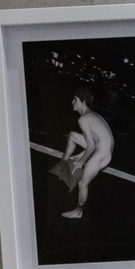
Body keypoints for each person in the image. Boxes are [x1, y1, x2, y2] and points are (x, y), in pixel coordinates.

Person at [51, 88, 115, 219]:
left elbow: (91, 146)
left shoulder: (84, 119)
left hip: (102, 155)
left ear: (83, 102)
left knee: (82, 184)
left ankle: (78, 211)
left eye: (75, 99)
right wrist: (80, 156)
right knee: (72, 135)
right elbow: (94, 142)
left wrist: (80, 162)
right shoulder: (91, 116)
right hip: (102, 148)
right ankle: (63, 162)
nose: (72, 102)